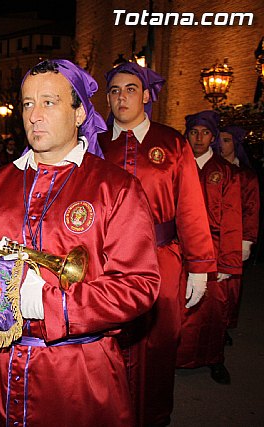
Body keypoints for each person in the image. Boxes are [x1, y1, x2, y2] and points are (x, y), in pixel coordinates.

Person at [0, 59, 160, 426]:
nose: (34, 115)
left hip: (77, 373)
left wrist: (45, 303)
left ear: (79, 113)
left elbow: (140, 285)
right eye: (28, 104)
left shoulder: (116, 187)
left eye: (49, 102)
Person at [98, 62, 216, 427]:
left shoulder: (173, 143)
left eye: (130, 89)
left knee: (160, 342)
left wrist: (199, 267)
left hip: (162, 259)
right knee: (107, 344)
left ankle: (153, 416)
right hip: (107, 262)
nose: (122, 98)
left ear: (146, 95)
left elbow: (192, 209)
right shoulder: (96, 143)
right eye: (115, 91)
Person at [177, 111, 243, 385]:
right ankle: (177, 358)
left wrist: (229, 262)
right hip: (181, 249)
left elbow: (232, 217)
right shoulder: (177, 165)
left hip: (215, 250)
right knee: (181, 308)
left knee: (213, 310)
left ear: (213, 137)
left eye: (205, 133)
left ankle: (214, 359)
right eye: (194, 132)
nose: (199, 138)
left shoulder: (225, 172)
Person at [217, 126, 260, 336]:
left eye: (226, 140)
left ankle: (223, 327)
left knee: (230, 287)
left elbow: (252, 208)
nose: (220, 144)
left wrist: (247, 240)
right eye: (219, 139)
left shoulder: (246, 176)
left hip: (234, 236)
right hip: (212, 236)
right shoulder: (210, 169)